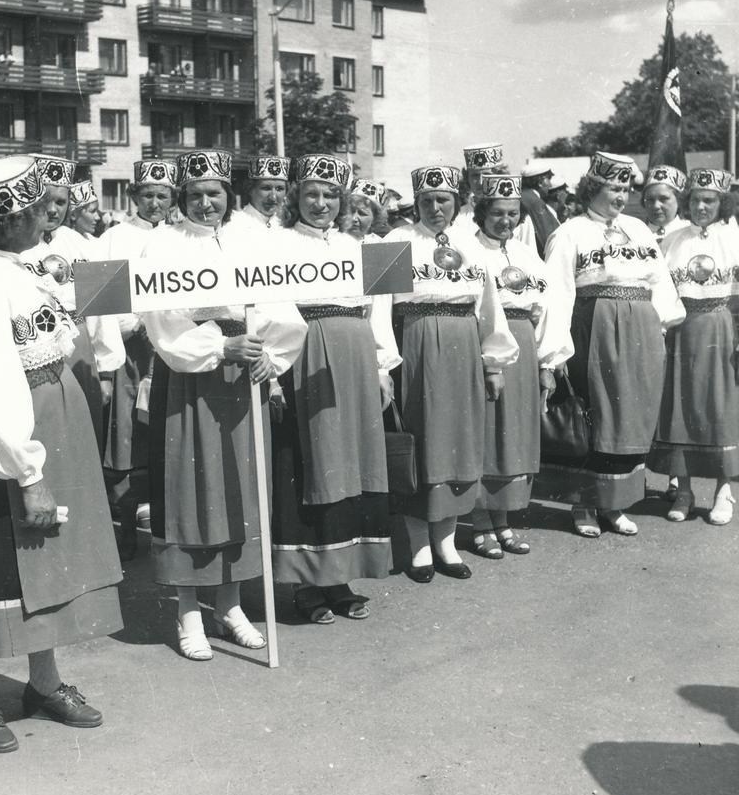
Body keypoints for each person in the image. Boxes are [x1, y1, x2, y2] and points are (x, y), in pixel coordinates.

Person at [0, 154, 123, 753]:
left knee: (47, 559)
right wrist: (26, 471)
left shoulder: (23, 264)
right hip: (3, 436)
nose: (47, 220)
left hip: (45, 421)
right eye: (39, 210)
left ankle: (44, 682)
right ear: (9, 219)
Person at [141, 149, 306, 660]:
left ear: (228, 195)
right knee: (193, 490)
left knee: (240, 487)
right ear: (181, 199)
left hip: (242, 372)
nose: (206, 203)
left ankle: (230, 603)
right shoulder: (162, 245)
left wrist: (272, 356)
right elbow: (161, 319)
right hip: (193, 374)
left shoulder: (246, 239)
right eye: (195, 195)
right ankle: (189, 609)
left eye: (215, 193)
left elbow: (280, 302)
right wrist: (218, 347)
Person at [271, 154, 399, 622]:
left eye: (329, 195)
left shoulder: (359, 245)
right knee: (312, 462)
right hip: (303, 354)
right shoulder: (277, 244)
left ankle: (341, 575)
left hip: (356, 356)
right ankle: (308, 581)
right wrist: (275, 372)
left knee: (354, 462)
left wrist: (383, 366)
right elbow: (266, 307)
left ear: (342, 200)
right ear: (295, 198)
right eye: (311, 194)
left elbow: (378, 309)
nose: (320, 203)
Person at [384, 165, 518, 580]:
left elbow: (490, 308)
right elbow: (377, 311)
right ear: (416, 203)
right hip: (417, 349)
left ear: (458, 202)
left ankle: (446, 543)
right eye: (426, 200)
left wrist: (493, 362)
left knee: (458, 443)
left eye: (443, 199)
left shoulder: (472, 246)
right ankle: (420, 548)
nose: (435, 207)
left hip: (464, 353)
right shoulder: (392, 241)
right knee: (423, 445)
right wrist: (382, 364)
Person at [544, 152, 685, 537]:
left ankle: (615, 503)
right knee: (598, 414)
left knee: (630, 416)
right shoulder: (570, 232)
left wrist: (660, 326)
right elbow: (558, 292)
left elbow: (659, 280)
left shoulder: (638, 229)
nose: (621, 196)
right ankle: (584, 504)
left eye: (625, 188)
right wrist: (556, 349)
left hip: (641, 330)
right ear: (593, 187)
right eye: (613, 188)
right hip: (594, 328)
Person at [470, 174, 572, 558]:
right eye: (497, 213)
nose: (506, 221)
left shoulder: (528, 255)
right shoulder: (471, 252)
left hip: (525, 345)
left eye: (513, 213)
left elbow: (547, 309)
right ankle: (481, 522)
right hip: (489, 346)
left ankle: (504, 520)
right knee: (488, 434)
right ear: (482, 213)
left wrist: (549, 361)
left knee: (516, 435)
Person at [648, 168, 738, 524]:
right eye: (696, 200)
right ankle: (683, 489)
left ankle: (723, 492)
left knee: (720, 411)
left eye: (709, 200)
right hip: (681, 332)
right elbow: (659, 290)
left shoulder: (733, 238)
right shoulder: (673, 241)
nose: (701, 206)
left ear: (722, 202)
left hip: (722, 330)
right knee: (680, 410)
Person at [99, 159, 177, 559]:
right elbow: (102, 299)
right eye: (147, 195)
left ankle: (166, 528)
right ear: (133, 196)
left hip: (171, 345)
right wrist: (133, 325)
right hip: (130, 346)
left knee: (164, 433)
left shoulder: (178, 235)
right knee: (126, 436)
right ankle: (126, 528)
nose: (155, 202)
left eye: (163, 195)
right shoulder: (114, 238)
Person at [27, 169, 124, 447]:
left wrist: (105, 372)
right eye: (46, 200)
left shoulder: (85, 246)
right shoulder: (16, 247)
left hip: (80, 352)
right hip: (34, 352)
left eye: (61, 202)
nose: (53, 209)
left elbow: (103, 311)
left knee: (83, 434)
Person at [460, 141, 537, 250]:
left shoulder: (518, 217)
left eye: (487, 175)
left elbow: (530, 255)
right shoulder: (458, 218)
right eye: (475, 176)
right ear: (467, 178)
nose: (481, 182)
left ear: (500, 175)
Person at [233, 154, 288, 232]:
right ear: (250, 190)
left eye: (279, 189)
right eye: (266, 188)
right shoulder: (234, 224)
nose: (273, 197)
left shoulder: (287, 227)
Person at [640, 165, 689, 247]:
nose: (656, 206)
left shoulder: (690, 233)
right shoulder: (635, 233)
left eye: (663, 199)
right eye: (650, 199)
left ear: (679, 200)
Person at [520, 162, 562, 256]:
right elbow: (549, 237)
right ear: (540, 182)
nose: (550, 185)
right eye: (548, 179)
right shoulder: (535, 201)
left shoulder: (522, 196)